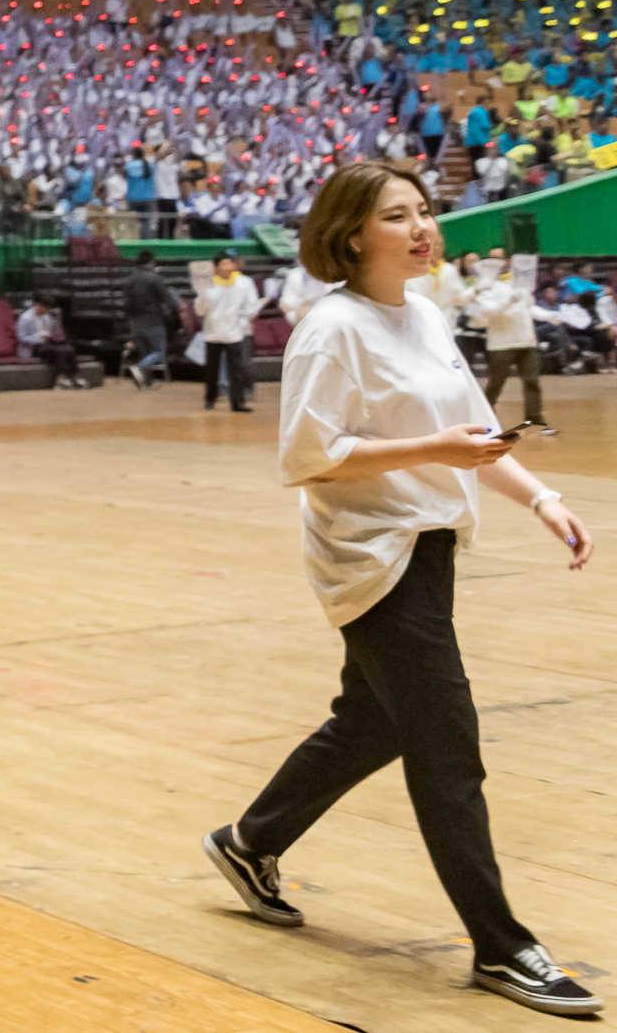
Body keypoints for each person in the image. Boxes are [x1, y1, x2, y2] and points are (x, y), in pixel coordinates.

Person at [203, 161, 598, 1018]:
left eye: (426, 211)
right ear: (352, 235)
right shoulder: (331, 329)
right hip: (372, 557)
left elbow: (474, 435)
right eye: (398, 215)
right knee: (447, 743)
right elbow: (308, 457)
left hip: (430, 549)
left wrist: (543, 498)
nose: (424, 228)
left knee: (375, 721)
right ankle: (502, 947)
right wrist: (433, 452)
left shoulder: (419, 313)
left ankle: (249, 842)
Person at [472, 264, 545, 434]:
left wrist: (553, 315)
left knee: (532, 380)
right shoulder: (487, 287)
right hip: (501, 344)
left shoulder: (521, 286)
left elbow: (530, 309)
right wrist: (509, 301)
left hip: (526, 341)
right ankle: (484, 415)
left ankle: (534, 417)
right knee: (496, 383)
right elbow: (488, 311)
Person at [197, 253, 261, 413]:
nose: (226, 268)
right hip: (212, 334)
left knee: (236, 370)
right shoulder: (206, 284)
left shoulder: (245, 283)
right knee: (212, 370)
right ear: (215, 267)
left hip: (235, 334)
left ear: (234, 266)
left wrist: (245, 316)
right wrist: (202, 297)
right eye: (223, 264)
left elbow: (252, 305)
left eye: (229, 264)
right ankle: (210, 399)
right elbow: (199, 310)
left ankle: (238, 403)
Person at [122, 251, 174, 390]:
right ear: (151, 262)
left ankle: (146, 382)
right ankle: (140, 368)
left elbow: (126, 304)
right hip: (153, 321)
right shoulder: (154, 278)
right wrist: (174, 315)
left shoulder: (129, 280)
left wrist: (130, 321)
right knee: (158, 352)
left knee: (146, 352)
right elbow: (168, 300)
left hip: (135, 323)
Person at [16, 296, 84, 389]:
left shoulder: (46, 317)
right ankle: (60, 379)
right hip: (32, 348)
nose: (47, 310)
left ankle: (75, 376)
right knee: (58, 351)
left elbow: (50, 332)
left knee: (69, 349)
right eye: (45, 307)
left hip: (46, 345)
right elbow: (21, 337)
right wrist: (38, 338)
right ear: (38, 305)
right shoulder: (25, 317)